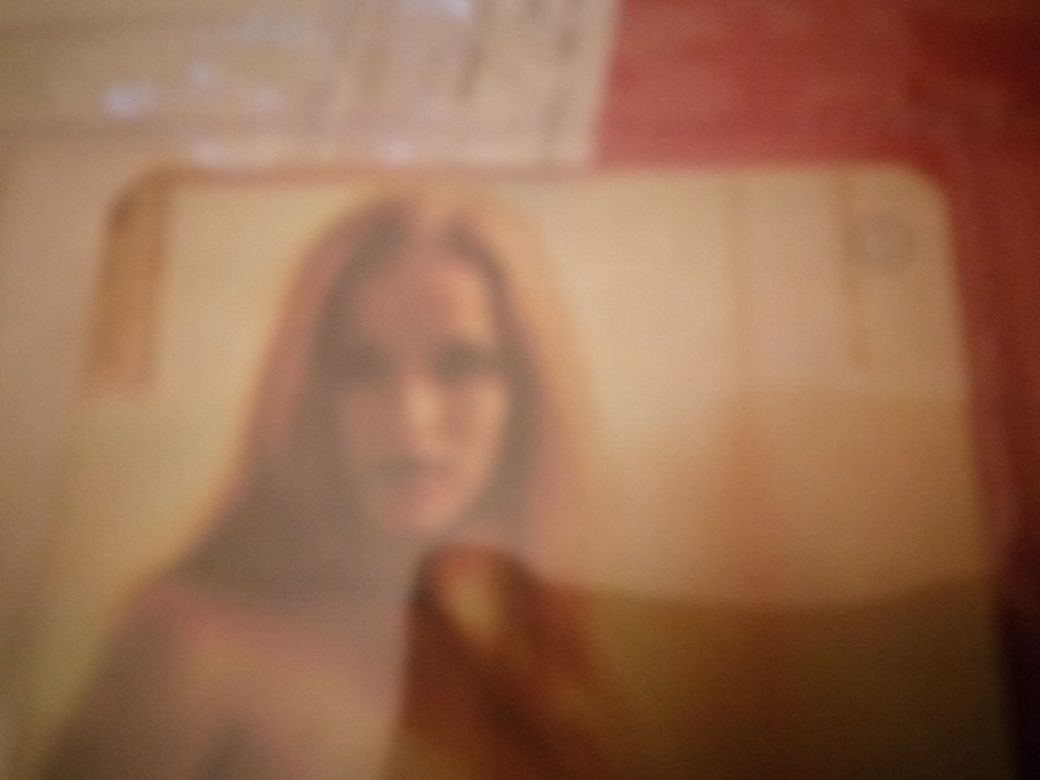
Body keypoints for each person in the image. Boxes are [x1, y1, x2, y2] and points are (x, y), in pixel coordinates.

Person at [43, 191, 620, 778]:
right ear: (313, 393)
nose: (410, 419)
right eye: (363, 367)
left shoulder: (540, 647)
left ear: (525, 396)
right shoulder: (188, 641)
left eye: (459, 365)